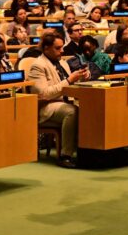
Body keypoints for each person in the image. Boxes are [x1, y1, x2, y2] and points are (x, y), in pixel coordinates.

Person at [28, 35, 89, 168]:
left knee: (90, 108)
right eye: (57, 48)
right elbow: (43, 94)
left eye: (62, 47)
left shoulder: (62, 62)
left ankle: (87, 151)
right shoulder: (38, 66)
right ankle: (65, 156)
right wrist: (69, 80)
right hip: (45, 107)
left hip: (63, 101)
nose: (62, 51)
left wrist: (81, 77)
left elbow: (69, 85)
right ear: (46, 48)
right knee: (71, 111)